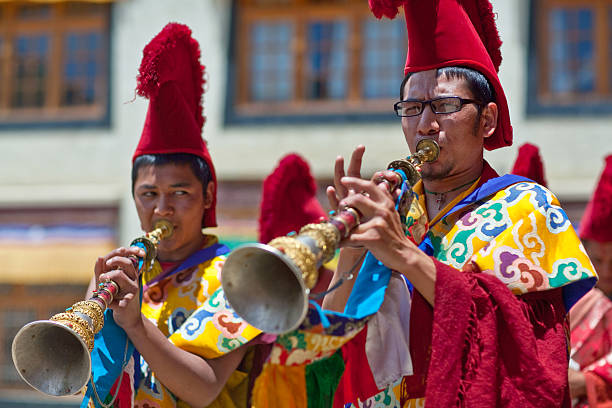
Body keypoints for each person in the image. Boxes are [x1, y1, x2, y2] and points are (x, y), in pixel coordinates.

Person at [250, 1, 596, 407]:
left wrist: (402, 254)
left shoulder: (526, 206)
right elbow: (335, 345)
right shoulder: (394, 208)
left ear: (486, 121)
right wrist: (353, 251)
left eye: (445, 106)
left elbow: (527, 351)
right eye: (412, 108)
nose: (425, 125)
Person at [82, 23, 260, 408]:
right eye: (149, 194)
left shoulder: (240, 274)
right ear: (134, 197)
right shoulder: (124, 273)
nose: (162, 209)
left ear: (208, 195)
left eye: (180, 193)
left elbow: (204, 387)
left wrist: (134, 324)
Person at [569, 155, 612, 407]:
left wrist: (587, 382)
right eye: (598, 259)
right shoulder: (573, 298)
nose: (606, 271)